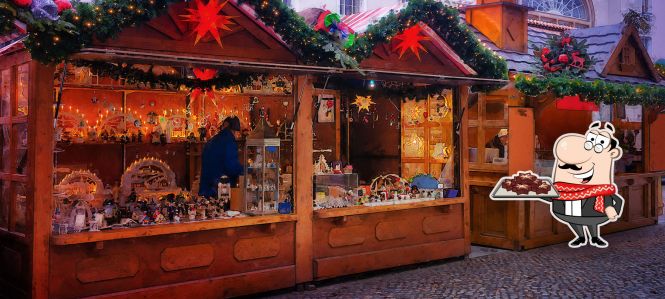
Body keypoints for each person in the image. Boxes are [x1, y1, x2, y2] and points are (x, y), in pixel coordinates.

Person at [198, 116, 243, 198]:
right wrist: (245, 171)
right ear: (235, 131)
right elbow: (231, 166)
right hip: (220, 189)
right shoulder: (229, 141)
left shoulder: (212, 140)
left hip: (207, 188)